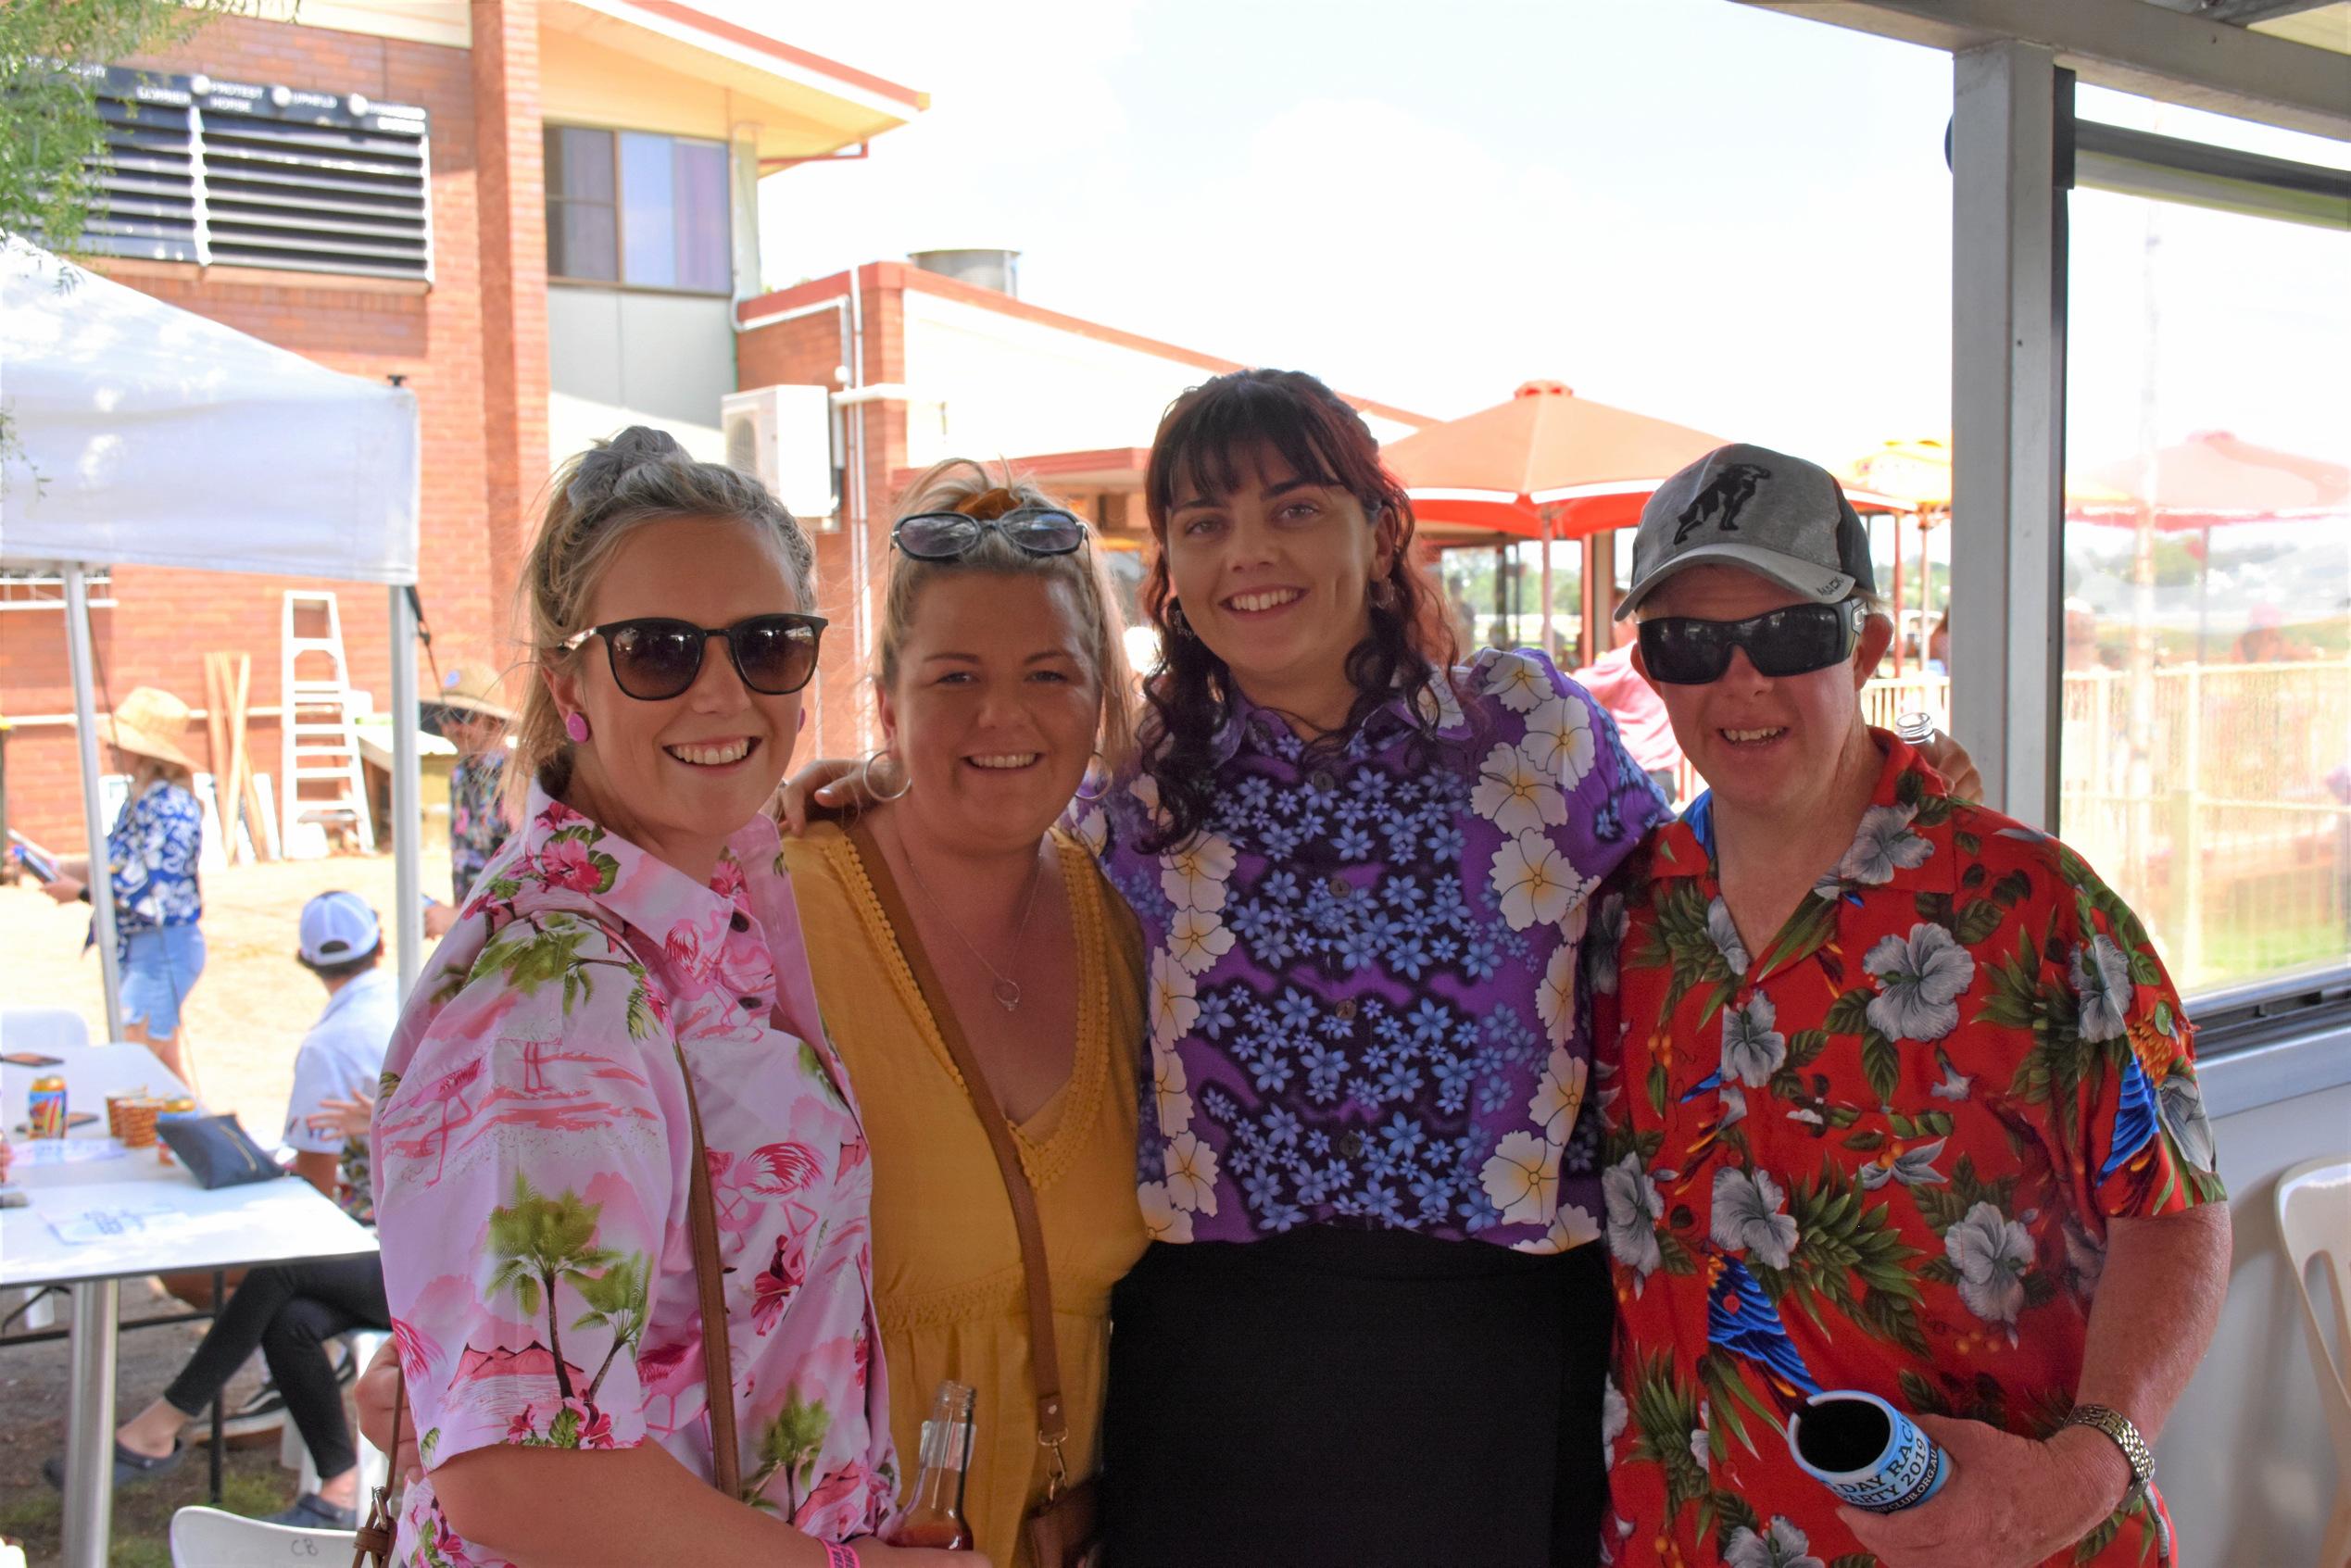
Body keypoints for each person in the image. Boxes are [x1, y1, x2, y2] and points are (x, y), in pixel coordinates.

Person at [1592, 445, 2231, 1568]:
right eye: (1692, 644)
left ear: (1868, 643)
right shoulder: (1626, 922)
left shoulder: (2030, 907)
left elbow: (2176, 1213)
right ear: (1649, 668)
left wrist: (2082, 1472)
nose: (1740, 682)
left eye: (1788, 634)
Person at [1087, 369, 1669, 1565]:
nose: (1249, 552)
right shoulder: (1135, 787)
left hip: (1489, 1359)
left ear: (1378, 526)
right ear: (1171, 569)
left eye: (1294, 506)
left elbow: (1694, 917)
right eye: (1203, 523)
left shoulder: (1527, 734)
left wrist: (1861, 798)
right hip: (1215, 1364)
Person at [364, 428, 971, 1567]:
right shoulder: (558, 985)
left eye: (768, 645)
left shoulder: (706, 906)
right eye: (657, 652)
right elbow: (520, 1476)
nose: (721, 690)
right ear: (568, 682)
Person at [784, 460, 1148, 1564]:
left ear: (1100, 700)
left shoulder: (1132, 922)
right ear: (886, 702)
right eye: (954, 677)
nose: (1004, 714)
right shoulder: (777, 913)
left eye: (1049, 672)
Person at [41, 892, 400, 1527]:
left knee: (280, 1269)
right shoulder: (407, 1001)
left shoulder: (328, 1045)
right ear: (381, 945)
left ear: (307, 961)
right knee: (289, 1313)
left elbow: (315, 1197)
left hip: (407, 1256)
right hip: (409, 1242)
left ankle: (162, 1424)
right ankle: (338, 1490)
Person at [39, 685, 207, 1085]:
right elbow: (118, 866)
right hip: (150, 949)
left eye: (117, 742)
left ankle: (201, 1143)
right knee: (163, 1072)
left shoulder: (168, 806)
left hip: (162, 950)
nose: (109, 748)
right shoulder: (145, 799)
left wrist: (79, 892)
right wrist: (57, 865)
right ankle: (205, 1144)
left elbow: (151, 892)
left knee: (131, 1071)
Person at [424, 662, 516, 939]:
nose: (452, 727)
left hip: (509, 938)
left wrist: (458, 920)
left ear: (494, 722)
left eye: (463, 716)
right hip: (475, 933)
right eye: (444, 716)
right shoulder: (461, 774)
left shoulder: (516, 777)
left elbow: (531, 878)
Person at [1577, 592, 1685, 804]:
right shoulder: (1669, 656)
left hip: (1633, 774)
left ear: (1629, 623)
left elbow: (1571, 689)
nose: (1613, 628)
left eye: (1615, 621)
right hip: (1664, 776)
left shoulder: (1622, 660)